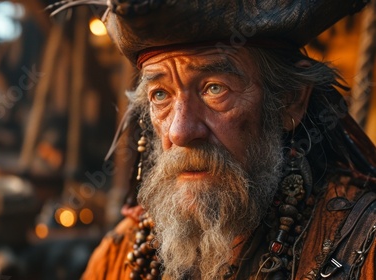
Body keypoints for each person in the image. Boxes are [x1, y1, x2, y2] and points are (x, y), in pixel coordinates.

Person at [78, 1, 376, 279]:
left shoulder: (363, 244)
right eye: (161, 95)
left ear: (290, 101)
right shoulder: (120, 256)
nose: (180, 131)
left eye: (214, 89)